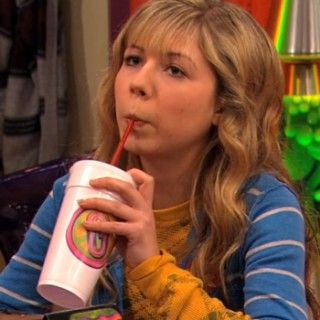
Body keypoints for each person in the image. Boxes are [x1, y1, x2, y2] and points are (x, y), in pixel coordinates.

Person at [0, 0, 319, 319]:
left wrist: (151, 267)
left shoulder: (264, 206)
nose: (137, 83)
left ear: (224, 105)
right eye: (133, 60)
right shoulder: (75, 191)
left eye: (175, 70)